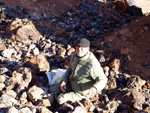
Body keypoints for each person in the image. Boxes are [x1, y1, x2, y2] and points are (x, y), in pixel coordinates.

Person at [49, 38, 108, 104]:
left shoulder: (92, 63)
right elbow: (69, 69)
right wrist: (64, 80)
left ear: (88, 48)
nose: (79, 49)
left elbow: (103, 79)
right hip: (72, 84)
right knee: (52, 89)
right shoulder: (74, 56)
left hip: (81, 92)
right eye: (78, 47)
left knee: (60, 100)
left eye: (82, 47)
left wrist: (95, 88)